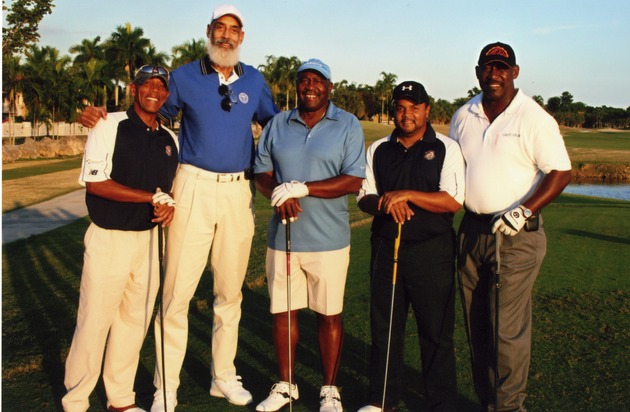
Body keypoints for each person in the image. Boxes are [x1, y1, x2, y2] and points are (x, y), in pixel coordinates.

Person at [78, 5, 279, 411]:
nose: (225, 36)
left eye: (233, 30)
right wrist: (102, 116)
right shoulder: (184, 76)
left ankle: (223, 375)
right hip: (192, 187)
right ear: (208, 32)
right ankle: (165, 388)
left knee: (230, 292)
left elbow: (273, 127)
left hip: (237, 192)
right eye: (219, 28)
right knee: (176, 295)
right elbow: (149, 113)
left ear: (242, 36)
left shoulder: (255, 80)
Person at [449, 42, 572, 411]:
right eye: (488, 67)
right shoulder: (464, 114)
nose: (495, 74)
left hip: (515, 234)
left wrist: (524, 210)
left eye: (502, 67)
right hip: (471, 231)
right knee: (477, 325)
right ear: (478, 72)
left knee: (506, 329)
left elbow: (561, 172)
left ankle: (509, 407)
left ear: (514, 72)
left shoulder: (533, 117)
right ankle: (489, 402)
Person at [62, 66, 178, 412]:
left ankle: (121, 400)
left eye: (160, 86)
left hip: (148, 242)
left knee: (134, 321)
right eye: (147, 84)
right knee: (94, 321)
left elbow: (167, 192)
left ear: (167, 95)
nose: (154, 90)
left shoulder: (169, 139)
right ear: (133, 89)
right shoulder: (107, 125)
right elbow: (97, 184)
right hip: (108, 238)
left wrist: (167, 207)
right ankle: (76, 399)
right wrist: (149, 199)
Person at [253, 58, 366, 412]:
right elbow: (261, 170)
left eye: (318, 80)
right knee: (284, 313)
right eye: (304, 80)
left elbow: (353, 180)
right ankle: (286, 385)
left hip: (329, 240)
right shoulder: (277, 124)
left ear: (330, 87)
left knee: (329, 315)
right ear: (297, 85)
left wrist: (302, 189)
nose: (311, 86)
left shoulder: (347, 124)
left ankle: (329, 389)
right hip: (283, 237)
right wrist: (277, 193)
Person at [356, 81, 465, 412]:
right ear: (393, 111)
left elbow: (452, 200)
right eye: (401, 107)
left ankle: (441, 403)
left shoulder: (446, 147)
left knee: (435, 332)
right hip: (387, 248)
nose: (407, 114)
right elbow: (364, 197)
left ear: (427, 110)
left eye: (414, 107)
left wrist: (407, 195)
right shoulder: (378, 150)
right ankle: (382, 399)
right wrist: (387, 203)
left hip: (432, 252)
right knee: (385, 327)